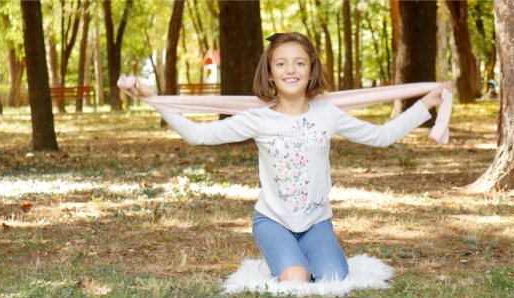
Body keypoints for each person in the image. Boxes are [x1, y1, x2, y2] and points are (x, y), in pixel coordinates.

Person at [120, 32, 450, 283]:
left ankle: (300, 255)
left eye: (299, 62)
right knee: (296, 281)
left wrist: (426, 104)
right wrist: (154, 99)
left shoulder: (328, 114)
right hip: (272, 221)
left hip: (316, 223)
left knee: (334, 279)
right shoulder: (259, 118)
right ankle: (283, 260)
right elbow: (198, 135)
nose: (290, 70)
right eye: (281, 63)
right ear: (271, 72)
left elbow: (381, 137)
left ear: (310, 70)